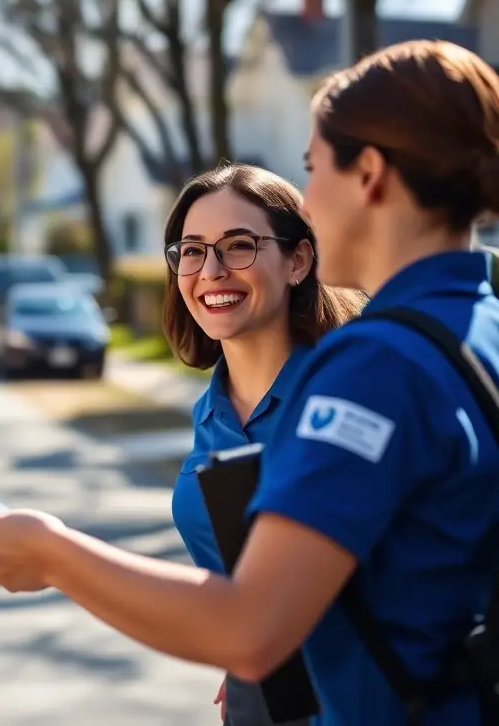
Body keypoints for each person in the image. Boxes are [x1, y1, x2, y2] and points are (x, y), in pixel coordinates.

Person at [0, 39, 499, 725]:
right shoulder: (478, 326)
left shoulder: (375, 365)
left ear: (368, 173)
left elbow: (250, 630)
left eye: (311, 168)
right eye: (191, 251)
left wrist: (51, 552)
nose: (306, 195)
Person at [163, 163, 364, 725]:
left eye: (240, 246)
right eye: (194, 250)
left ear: (298, 261)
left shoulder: (348, 399)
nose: (212, 271)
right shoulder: (209, 413)